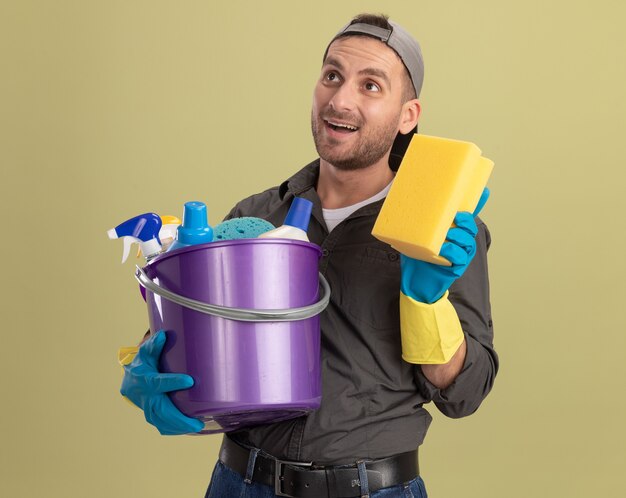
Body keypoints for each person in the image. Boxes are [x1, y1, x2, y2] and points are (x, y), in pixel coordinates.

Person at [120, 13, 498, 498]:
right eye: (332, 76)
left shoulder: (443, 230)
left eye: (371, 86)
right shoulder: (255, 216)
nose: (340, 99)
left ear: (409, 115)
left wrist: (427, 305)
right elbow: (191, 337)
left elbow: (465, 392)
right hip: (239, 483)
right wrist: (147, 371)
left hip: (371, 489)